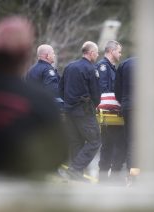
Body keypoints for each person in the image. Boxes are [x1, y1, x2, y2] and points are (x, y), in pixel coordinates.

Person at [0, 16, 67, 177]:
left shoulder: (32, 71)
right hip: (19, 192)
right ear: (26, 54)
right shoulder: (41, 101)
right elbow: (57, 155)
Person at [59, 41, 101, 181]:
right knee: (94, 141)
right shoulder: (90, 69)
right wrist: (94, 104)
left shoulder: (69, 66)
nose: (97, 54)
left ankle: (76, 176)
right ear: (90, 53)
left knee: (76, 142)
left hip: (69, 111)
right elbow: (96, 93)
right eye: (96, 52)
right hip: (84, 112)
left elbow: (61, 88)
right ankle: (75, 169)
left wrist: (68, 103)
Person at [96, 40, 126, 182]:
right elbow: (104, 91)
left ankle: (106, 176)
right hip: (109, 113)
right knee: (113, 143)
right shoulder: (103, 67)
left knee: (109, 144)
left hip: (112, 112)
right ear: (112, 51)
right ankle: (108, 175)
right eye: (119, 51)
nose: (120, 54)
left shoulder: (112, 68)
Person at [114, 57, 136, 175]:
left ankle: (129, 171)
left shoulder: (124, 64)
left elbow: (117, 87)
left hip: (128, 106)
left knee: (130, 140)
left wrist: (123, 102)